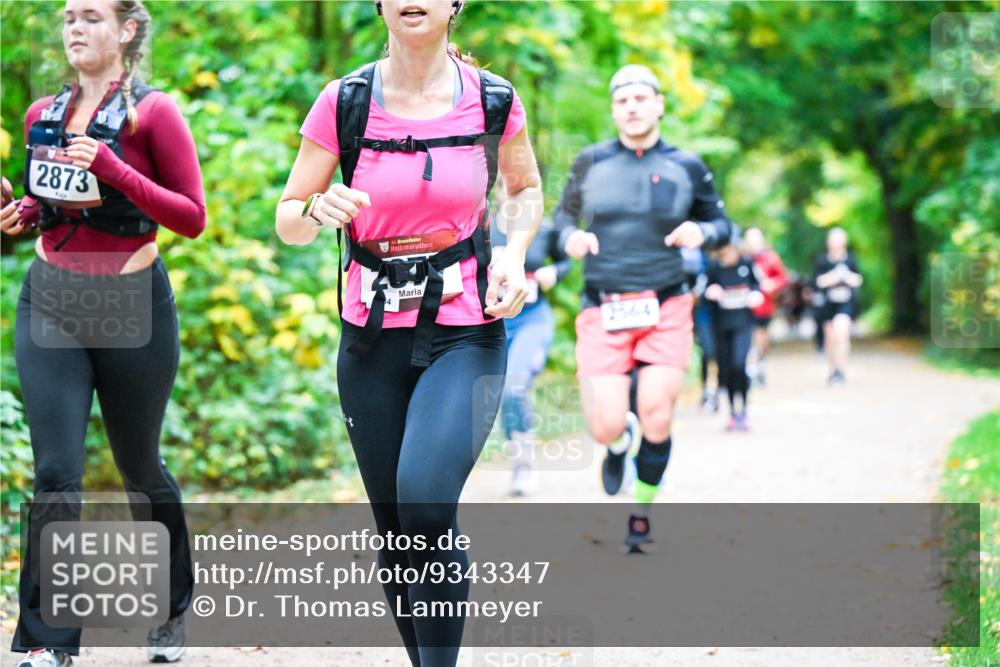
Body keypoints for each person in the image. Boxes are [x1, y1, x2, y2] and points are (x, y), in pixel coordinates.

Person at [275, 1, 541, 664]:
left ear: (455, 5)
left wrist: (512, 253)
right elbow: (287, 215)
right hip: (370, 339)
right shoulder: (346, 102)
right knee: (397, 530)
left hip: (465, 331)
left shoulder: (493, 100)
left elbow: (524, 187)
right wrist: (315, 207)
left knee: (424, 503)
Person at [1, 1, 205, 665]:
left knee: (140, 469)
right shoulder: (42, 115)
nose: (75, 28)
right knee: (57, 471)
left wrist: (116, 169)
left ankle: (173, 604)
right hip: (52, 297)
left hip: (132, 302)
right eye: (67, 18)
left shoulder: (157, 113)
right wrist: (22, 210)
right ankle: (46, 642)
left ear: (126, 29)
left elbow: (192, 216)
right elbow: (51, 203)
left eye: (91, 16)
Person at [553, 64, 735, 554]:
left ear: (658, 104)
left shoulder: (687, 165)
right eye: (622, 100)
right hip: (603, 306)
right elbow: (560, 221)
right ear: (613, 109)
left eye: (640, 98)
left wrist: (704, 232)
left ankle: (641, 514)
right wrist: (572, 238)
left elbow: (723, 225)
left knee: (657, 416)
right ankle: (616, 445)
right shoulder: (590, 162)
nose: (632, 107)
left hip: (666, 305)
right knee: (606, 424)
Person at [491, 214, 570, 496]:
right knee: (499, 391)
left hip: (532, 319)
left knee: (514, 387)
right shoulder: (481, 225)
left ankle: (524, 462)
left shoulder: (542, 227)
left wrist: (555, 273)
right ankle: (518, 454)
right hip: (494, 320)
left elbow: (566, 262)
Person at [704, 236, 765, 431]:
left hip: (743, 324)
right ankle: (732, 413)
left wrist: (756, 295)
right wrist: (711, 292)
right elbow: (704, 289)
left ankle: (744, 410)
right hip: (721, 326)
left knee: (739, 364)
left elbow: (758, 285)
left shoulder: (747, 264)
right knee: (727, 369)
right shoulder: (714, 267)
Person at [812, 227, 863, 384]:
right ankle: (832, 369)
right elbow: (816, 282)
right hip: (827, 305)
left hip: (845, 304)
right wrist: (832, 277)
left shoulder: (851, 259)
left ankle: (841, 370)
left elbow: (858, 280)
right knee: (830, 337)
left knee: (842, 332)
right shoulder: (822, 260)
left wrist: (846, 276)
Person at [743, 227, 787, 386]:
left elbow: (782, 278)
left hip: (764, 306)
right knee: (748, 337)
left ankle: (759, 364)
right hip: (744, 306)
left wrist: (772, 285)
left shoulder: (770, 258)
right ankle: (750, 369)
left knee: (761, 336)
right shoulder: (742, 258)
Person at [681, 246, 720, 411]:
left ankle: (712, 391)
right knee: (701, 353)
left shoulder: (709, 262)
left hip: (710, 316)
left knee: (710, 353)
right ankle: (705, 391)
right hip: (689, 315)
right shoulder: (681, 260)